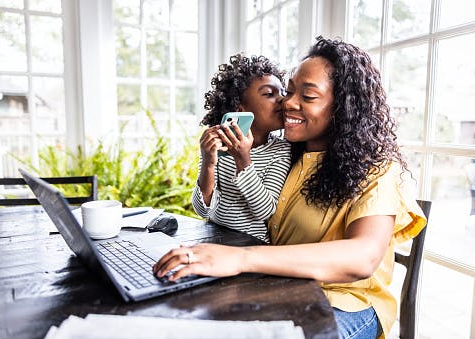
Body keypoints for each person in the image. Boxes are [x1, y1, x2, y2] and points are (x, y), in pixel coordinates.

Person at [155, 37, 426, 339]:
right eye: (291, 90)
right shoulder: (288, 155)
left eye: (307, 96)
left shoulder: (377, 169)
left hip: (346, 302)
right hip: (282, 286)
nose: (288, 102)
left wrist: (241, 259)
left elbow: (362, 258)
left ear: (344, 108)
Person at [191, 53, 291, 243]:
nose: (282, 100)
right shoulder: (218, 147)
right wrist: (208, 164)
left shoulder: (280, 151)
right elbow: (202, 210)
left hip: (251, 247)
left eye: (283, 93)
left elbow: (265, 210)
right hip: (214, 240)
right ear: (239, 109)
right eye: (270, 94)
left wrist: (243, 160)